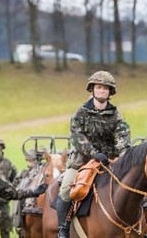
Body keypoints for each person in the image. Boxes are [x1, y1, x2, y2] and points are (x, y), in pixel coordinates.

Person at [57, 70, 132, 238]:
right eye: (99, 87)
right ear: (92, 89)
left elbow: (122, 136)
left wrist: (123, 154)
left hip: (110, 162)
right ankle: (63, 228)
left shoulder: (116, 115)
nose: (102, 91)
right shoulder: (80, 113)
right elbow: (77, 136)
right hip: (82, 162)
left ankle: (141, 227)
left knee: (134, 185)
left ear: (110, 92)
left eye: (106, 88)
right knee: (65, 189)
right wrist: (93, 153)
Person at [12, 149, 44, 234]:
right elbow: (14, 186)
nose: (30, 163)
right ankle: (19, 224)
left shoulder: (42, 172)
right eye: (28, 160)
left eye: (32, 160)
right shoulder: (24, 173)